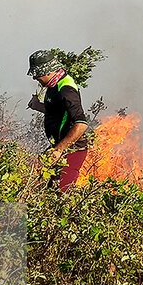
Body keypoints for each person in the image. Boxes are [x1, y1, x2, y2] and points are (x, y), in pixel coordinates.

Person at [27, 50, 89, 191]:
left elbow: (81, 124)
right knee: (41, 187)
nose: (35, 78)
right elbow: (57, 112)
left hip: (73, 150)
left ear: (48, 71)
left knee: (63, 193)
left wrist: (59, 150)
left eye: (37, 74)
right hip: (58, 147)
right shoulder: (52, 85)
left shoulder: (66, 89)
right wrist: (38, 106)